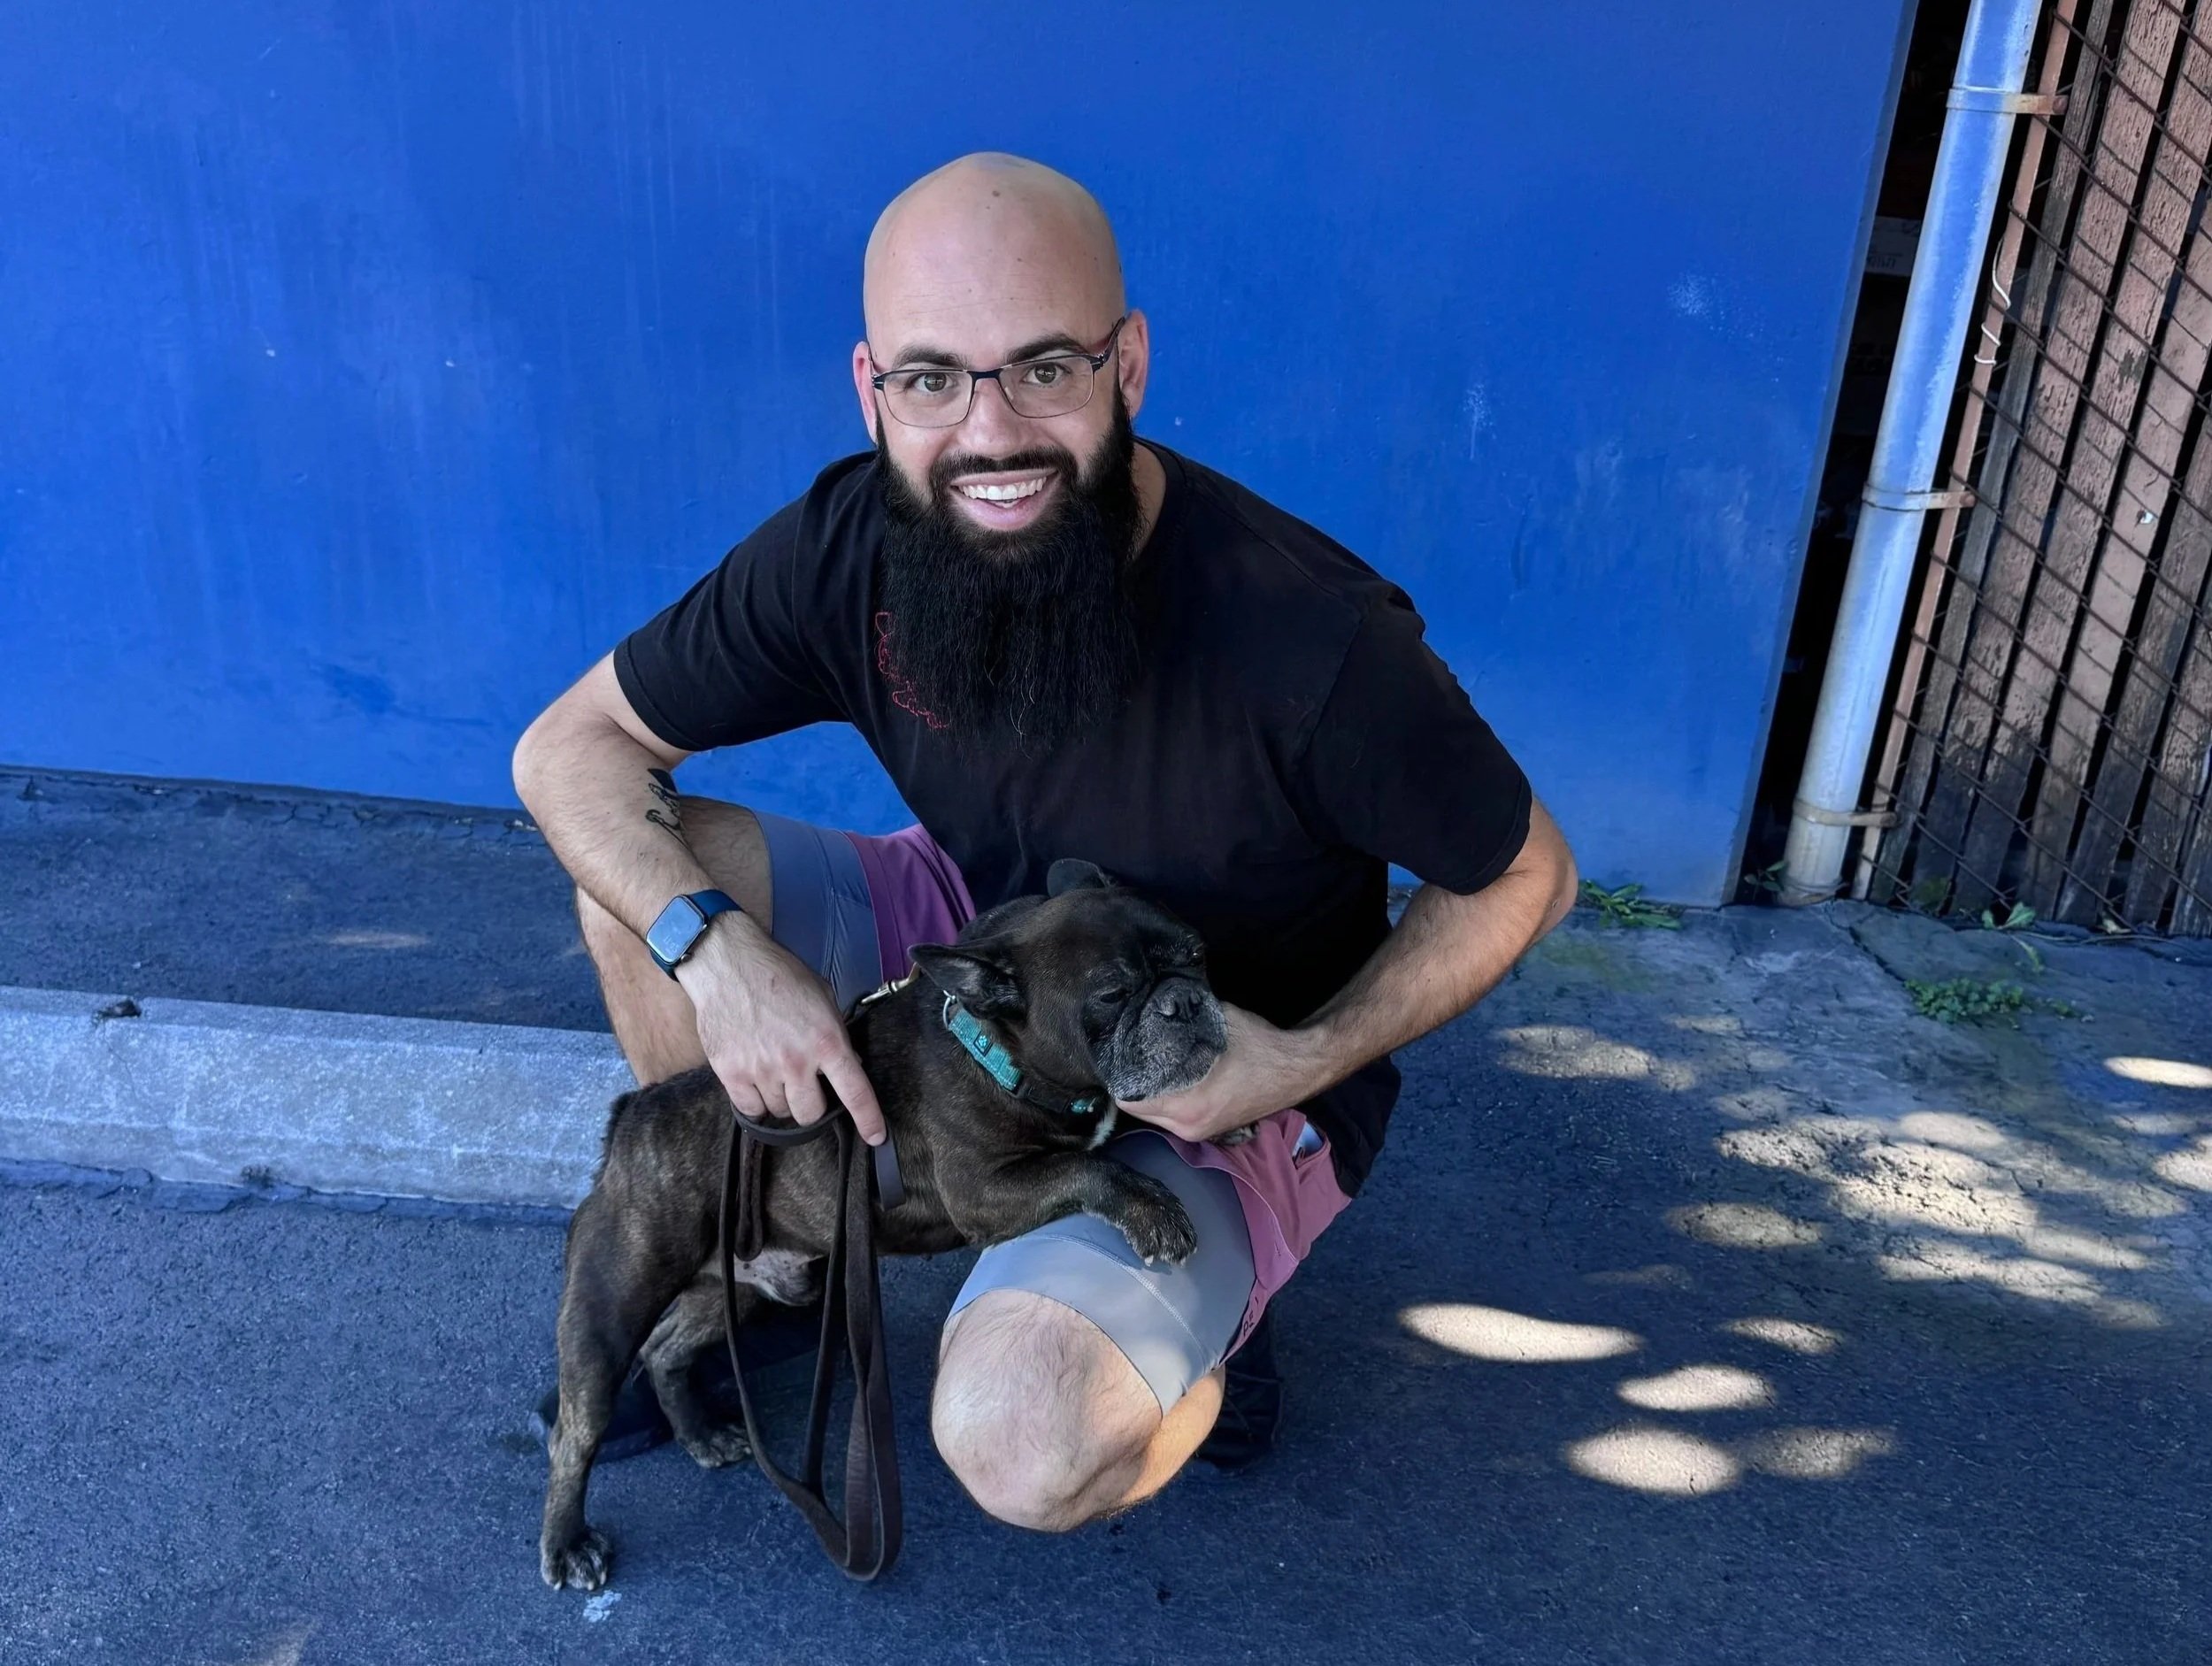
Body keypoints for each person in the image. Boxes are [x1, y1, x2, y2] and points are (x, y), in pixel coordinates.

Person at [513, 151, 1578, 1532]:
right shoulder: (859, 541)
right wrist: (714, 957)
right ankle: (778, 1240)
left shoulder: (1308, 640)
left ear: (1127, 362)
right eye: (934, 377)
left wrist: (1302, 1060)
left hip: (1226, 1047)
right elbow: (568, 750)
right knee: (642, 897)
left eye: (1046, 368)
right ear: (871, 388)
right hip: (986, 944)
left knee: (1021, 1441)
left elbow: (1527, 874)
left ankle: (1210, 1332)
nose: (989, 432)